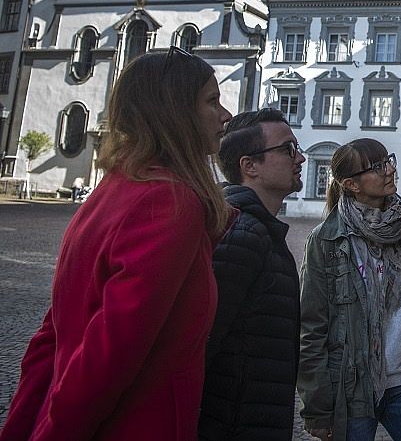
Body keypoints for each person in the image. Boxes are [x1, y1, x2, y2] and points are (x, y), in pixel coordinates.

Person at [0, 46, 233, 440]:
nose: (225, 116)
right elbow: (110, 352)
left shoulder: (116, 186)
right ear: (175, 113)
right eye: (212, 101)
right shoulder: (168, 201)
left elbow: (55, 329)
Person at [298, 139, 401, 441]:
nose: (390, 170)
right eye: (378, 166)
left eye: (388, 160)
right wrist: (317, 407)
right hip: (351, 389)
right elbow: (311, 328)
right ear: (351, 184)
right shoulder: (326, 241)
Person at [198, 108, 305, 439]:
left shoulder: (260, 231)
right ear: (250, 166)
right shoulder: (243, 235)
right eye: (287, 149)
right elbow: (202, 345)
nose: (300, 157)